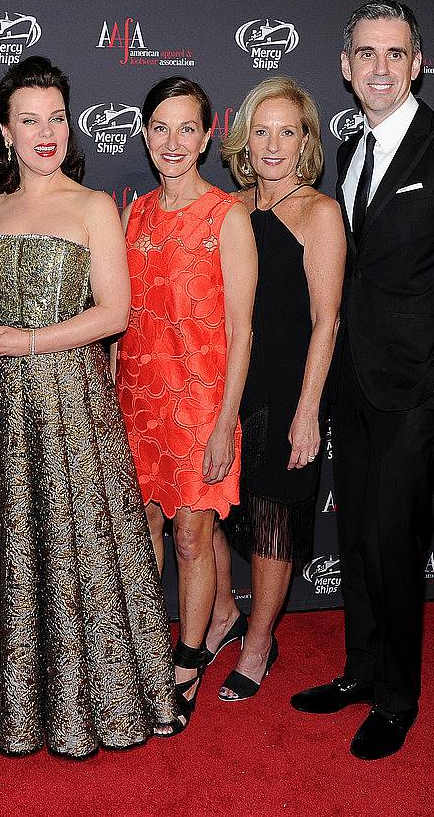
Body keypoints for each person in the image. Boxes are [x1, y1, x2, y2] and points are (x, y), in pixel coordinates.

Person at [0, 56, 177, 756]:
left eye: (56, 116)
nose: (45, 131)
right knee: (7, 550)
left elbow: (115, 314)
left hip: (70, 403)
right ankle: (6, 701)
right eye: (29, 120)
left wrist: (31, 340)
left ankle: (94, 703)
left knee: (74, 544)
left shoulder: (92, 207)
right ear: (3, 132)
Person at [290, 1, 434, 760]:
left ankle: (396, 698)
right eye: (365, 53)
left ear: (416, 64)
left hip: (416, 392)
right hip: (352, 384)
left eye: (395, 53)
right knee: (355, 538)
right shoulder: (348, 148)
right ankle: (359, 670)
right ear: (345, 67)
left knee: (393, 543)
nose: (380, 67)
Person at [113, 76, 258, 731]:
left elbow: (242, 330)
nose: (172, 142)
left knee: (195, 537)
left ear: (206, 137)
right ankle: (147, 646)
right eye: (160, 128)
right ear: (146, 136)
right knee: (142, 535)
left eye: (186, 129)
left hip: (201, 405)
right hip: (137, 406)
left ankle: (190, 658)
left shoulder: (227, 216)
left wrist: (225, 423)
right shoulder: (133, 214)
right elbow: (120, 321)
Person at [208, 77, 345, 701]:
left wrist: (309, 409)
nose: (272, 143)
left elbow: (327, 320)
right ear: (243, 138)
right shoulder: (231, 210)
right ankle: (226, 616)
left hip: (289, 389)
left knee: (272, 524)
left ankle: (259, 642)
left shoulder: (318, 212)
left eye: (287, 131)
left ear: (306, 143)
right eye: (261, 129)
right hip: (229, 385)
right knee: (208, 513)